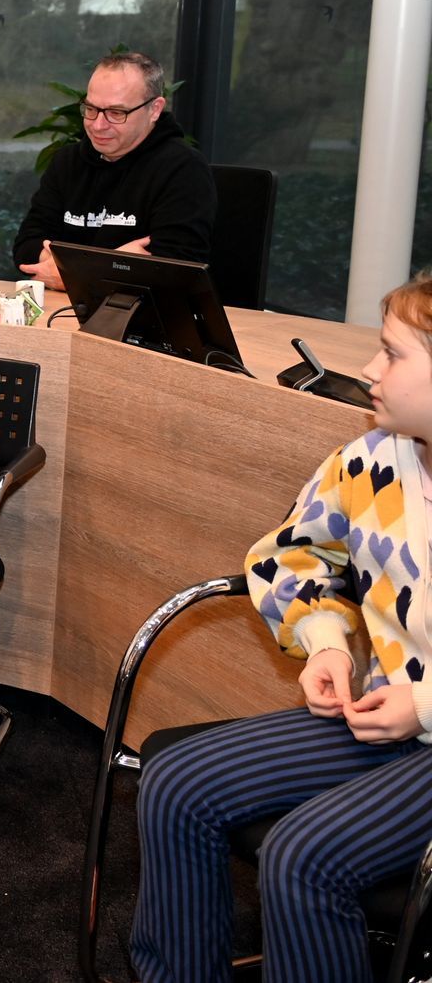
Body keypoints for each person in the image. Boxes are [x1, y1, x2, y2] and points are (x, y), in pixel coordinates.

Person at [129, 274, 432, 980]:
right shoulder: (372, 460)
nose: (369, 369)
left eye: (392, 354)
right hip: (384, 717)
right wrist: (326, 640)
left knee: (303, 857)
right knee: (174, 781)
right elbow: (288, 556)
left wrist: (422, 705)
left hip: (412, 720)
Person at [12, 49, 215, 290]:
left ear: (154, 109)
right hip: (62, 307)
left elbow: (175, 267)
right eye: (91, 109)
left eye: (116, 113)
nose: (98, 125)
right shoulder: (67, 161)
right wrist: (112, 264)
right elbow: (27, 245)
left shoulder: (183, 168)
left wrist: (76, 271)